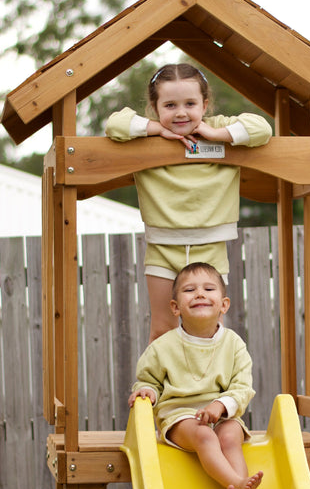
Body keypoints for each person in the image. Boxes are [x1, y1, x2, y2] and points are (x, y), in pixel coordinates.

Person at [105, 63, 272, 342]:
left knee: (208, 330)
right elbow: (114, 125)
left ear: (205, 105)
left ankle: (206, 385)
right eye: (170, 105)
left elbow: (262, 128)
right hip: (162, 247)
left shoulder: (219, 126)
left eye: (190, 103)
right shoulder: (147, 134)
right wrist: (156, 129)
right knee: (162, 329)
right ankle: (157, 386)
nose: (181, 112)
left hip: (211, 246)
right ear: (155, 108)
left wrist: (217, 136)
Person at [128, 262, 263, 489]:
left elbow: (242, 387)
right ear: (175, 307)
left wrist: (221, 406)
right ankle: (240, 485)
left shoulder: (234, 344)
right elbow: (148, 381)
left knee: (231, 436)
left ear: (223, 305)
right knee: (204, 435)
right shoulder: (163, 347)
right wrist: (146, 391)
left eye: (208, 288)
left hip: (222, 414)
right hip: (181, 417)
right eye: (189, 290)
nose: (200, 293)